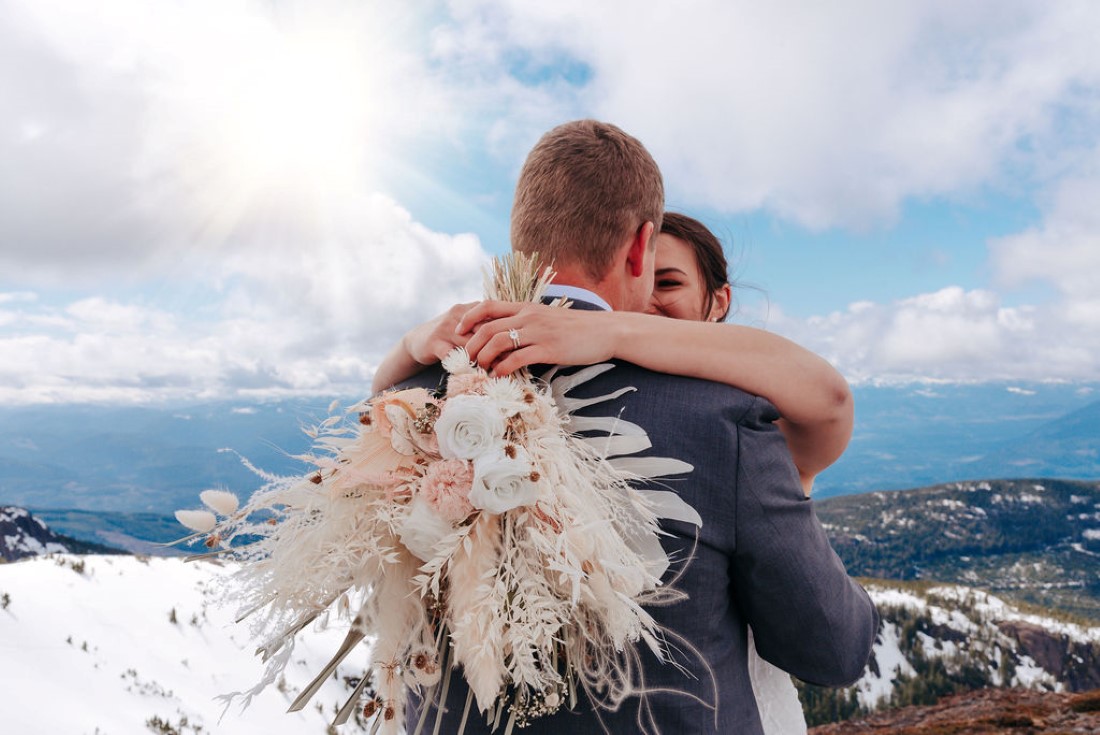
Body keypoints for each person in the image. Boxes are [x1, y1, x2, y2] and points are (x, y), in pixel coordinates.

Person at [396, 119, 878, 733]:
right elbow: (833, 650)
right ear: (639, 248)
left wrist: (409, 348)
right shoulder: (722, 419)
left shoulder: (407, 400)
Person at [375, 211, 853, 498]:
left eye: (669, 283)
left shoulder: (746, 414)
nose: (647, 303)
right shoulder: (577, 384)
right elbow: (382, 404)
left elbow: (830, 400)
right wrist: (413, 341)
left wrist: (612, 328)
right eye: (640, 283)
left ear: (719, 301)